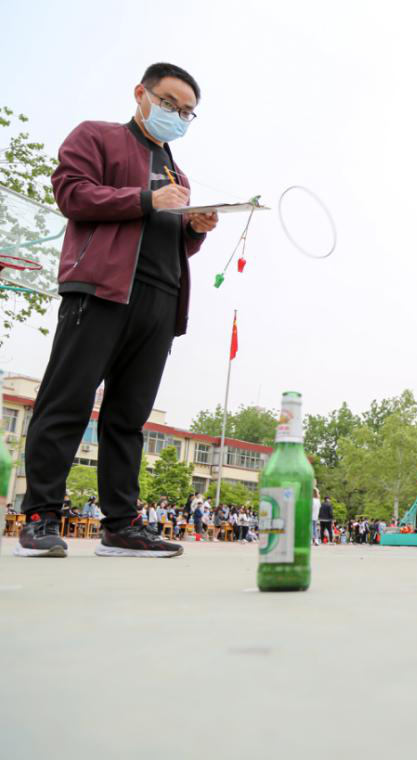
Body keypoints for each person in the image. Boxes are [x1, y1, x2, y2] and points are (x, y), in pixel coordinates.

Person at [16, 63, 217, 560]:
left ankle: (122, 526)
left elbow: (167, 239)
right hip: (101, 291)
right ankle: (40, 518)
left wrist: (194, 229)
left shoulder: (177, 173)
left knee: (129, 418)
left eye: (187, 112)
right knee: (66, 401)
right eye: (169, 103)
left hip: (161, 299)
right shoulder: (97, 137)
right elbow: (71, 193)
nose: (177, 116)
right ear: (141, 93)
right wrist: (146, 198)